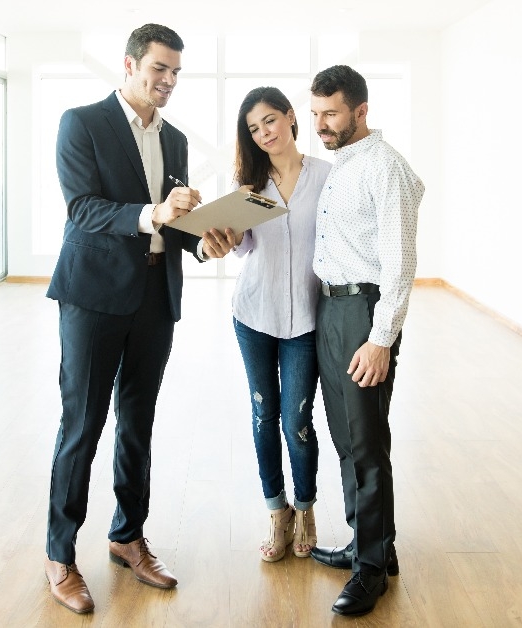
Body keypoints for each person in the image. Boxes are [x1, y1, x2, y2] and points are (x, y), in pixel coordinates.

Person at [43, 23, 207, 615]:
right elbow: (84, 208)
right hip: (92, 298)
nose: (167, 81)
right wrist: (153, 212)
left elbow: (176, 219)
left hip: (154, 300)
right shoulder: (81, 123)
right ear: (130, 64)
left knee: (138, 422)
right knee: (82, 425)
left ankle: (126, 536)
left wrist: (204, 240)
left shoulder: (178, 140)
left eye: (175, 72)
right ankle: (60, 554)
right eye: (158, 68)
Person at [305, 65, 424, 617]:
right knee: (346, 438)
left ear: (361, 111)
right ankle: (371, 544)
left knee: (367, 441)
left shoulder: (385, 168)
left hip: (363, 312)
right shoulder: (341, 164)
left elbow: (401, 262)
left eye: (330, 113)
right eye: (315, 114)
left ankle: (371, 571)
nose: (321, 125)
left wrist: (380, 338)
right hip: (331, 305)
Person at [203, 87, 331, 563]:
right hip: (254, 314)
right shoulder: (249, 189)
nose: (264, 134)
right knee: (264, 415)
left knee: (298, 420)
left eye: (270, 121)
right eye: (254, 129)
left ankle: (306, 507)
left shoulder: (327, 177)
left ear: (291, 117)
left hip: (307, 320)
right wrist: (229, 235)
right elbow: (242, 249)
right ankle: (277, 512)